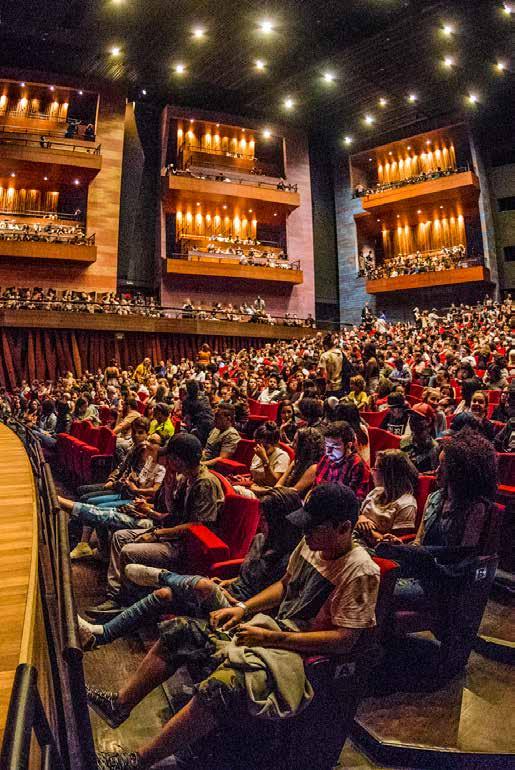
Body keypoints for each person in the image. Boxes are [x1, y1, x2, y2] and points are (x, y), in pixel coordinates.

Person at [87, 483, 380, 770]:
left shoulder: (361, 570)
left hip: (300, 656)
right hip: (273, 631)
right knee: (180, 632)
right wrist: (241, 608)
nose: (304, 533)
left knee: (222, 685)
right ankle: (120, 705)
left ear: (343, 528)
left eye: (314, 528)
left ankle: (138, 761)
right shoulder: (310, 544)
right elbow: (285, 585)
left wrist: (271, 637)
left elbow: (344, 640)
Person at [77, 488, 303, 650]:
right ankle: (102, 634)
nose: (259, 520)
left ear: (280, 520)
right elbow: (245, 575)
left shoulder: (290, 557)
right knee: (164, 594)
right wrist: (227, 583)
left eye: (265, 517)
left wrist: (238, 603)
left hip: (244, 614)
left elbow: (275, 602)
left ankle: (162, 576)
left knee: (203, 585)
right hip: (232, 594)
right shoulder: (261, 539)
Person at [86, 434, 224, 619]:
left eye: (171, 458)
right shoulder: (185, 478)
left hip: (185, 546)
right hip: (171, 535)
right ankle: (115, 596)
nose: (167, 461)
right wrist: (167, 487)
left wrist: (157, 534)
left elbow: (197, 526)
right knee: (120, 537)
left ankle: (127, 603)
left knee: (128, 551)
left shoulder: (204, 482)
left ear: (178, 459)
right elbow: (172, 512)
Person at [378, 429, 498, 609]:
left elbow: (461, 556)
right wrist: (401, 546)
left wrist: (419, 554)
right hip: (420, 568)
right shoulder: (434, 497)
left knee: (379, 589)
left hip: (443, 581)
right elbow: (418, 543)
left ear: (460, 473)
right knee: (369, 576)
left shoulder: (476, 508)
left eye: (444, 467)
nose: (436, 471)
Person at [354, 449, 418, 549]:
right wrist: (360, 518)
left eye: (375, 468)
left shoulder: (406, 504)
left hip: (373, 549)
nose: (372, 472)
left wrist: (368, 531)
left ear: (389, 474)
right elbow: (358, 515)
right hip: (355, 538)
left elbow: (395, 544)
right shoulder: (375, 492)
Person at [315, 421, 370, 501]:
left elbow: (355, 500)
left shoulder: (357, 465)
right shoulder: (326, 458)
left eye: (335, 446)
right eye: (327, 445)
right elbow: (315, 486)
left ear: (348, 445)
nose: (328, 451)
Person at [233, 421, 290, 497]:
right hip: (253, 488)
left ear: (275, 444)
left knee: (235, 490)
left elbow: (273, 483)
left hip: (267, 495)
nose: (261, 448)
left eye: (265, 446)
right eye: (258, 444)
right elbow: (255, 476)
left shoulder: (282, 456)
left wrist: (265, 460)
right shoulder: (258, 453)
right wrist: (245, 478)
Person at [275, 426, 324, 497]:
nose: (291, 444)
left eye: (295, 442)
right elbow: (278, 485)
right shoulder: (297, 461)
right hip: (284, 496)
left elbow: (293, 493)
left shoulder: (314, 468)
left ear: (305, 446)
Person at [400, 406, 439, 473]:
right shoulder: (404, 442)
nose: (412, 421)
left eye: (417, 418)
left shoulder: (435, 448)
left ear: (429, 421)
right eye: (411, 417)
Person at [182, 379, 214, 447]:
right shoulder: (205, 397)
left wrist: (190, 429)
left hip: (201, 426)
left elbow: (186, 417)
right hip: (211, 425)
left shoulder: (187, 400)